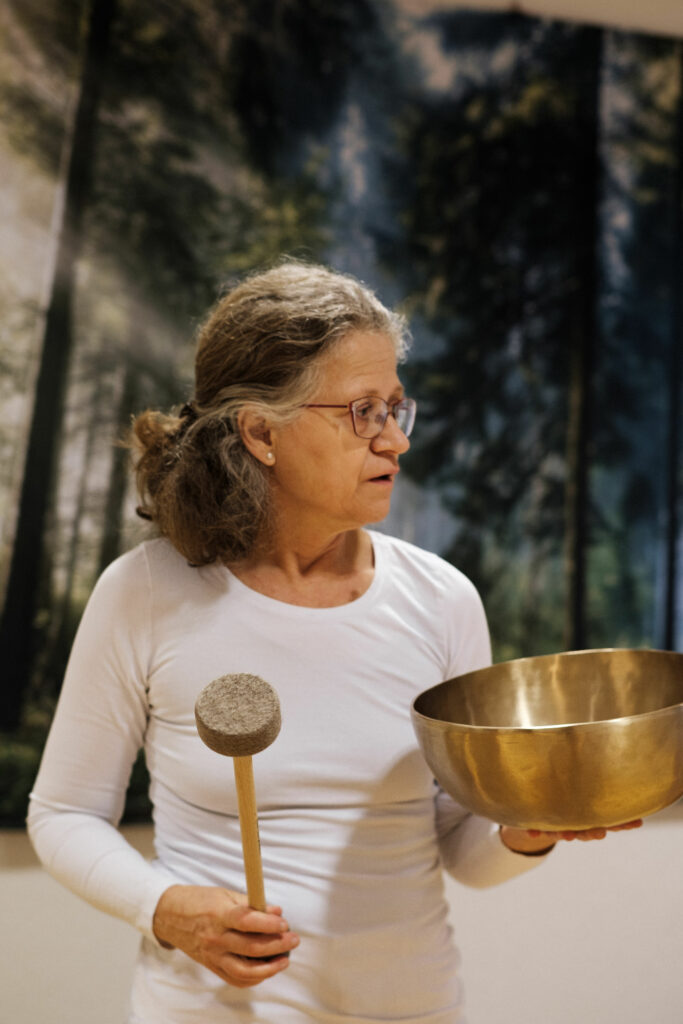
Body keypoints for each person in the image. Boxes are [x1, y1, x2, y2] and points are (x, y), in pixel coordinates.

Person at [27, 260, 639, 1024]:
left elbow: (460, 848)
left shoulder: (441, 600)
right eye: (361, 413)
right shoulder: (144, 593)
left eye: (395, 407)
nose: (394, 442)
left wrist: (526, 826)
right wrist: (164, 906)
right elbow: (63, 814)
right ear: (260, 432)